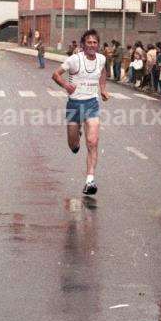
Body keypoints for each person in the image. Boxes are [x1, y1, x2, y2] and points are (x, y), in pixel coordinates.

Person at [52, 29, 109, 196]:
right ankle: (77, 137)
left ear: (97, 45)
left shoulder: (101, 59)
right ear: (83, 45)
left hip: (92, 103)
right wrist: (66, 86)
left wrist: (103, 89)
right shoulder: (74, 60)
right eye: (89, 42)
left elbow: (103, 72)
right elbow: (55, 74)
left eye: (94, 42)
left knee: (93, 142)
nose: (92, 45)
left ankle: (90, 180)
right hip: (74, 105)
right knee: (73, 145)